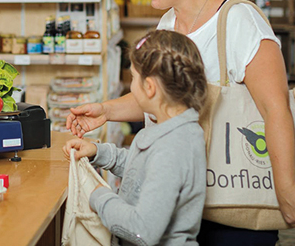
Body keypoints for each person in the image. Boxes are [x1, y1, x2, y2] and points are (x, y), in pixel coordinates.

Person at [66, 0, 295, 245]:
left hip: (234, 194)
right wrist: (105, 110)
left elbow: (275, 108)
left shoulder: (240, 20)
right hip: (182, 197)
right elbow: (163, 97)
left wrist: (286, 188)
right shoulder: (169, 20)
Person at [64, 30, 208, 246]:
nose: (131, 85)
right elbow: (143, 168)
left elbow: (142, 230)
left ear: (149, 88)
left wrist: (100, 196)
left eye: (133, 77)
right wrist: (99, 152)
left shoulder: (173, 148)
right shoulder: (170, 129)